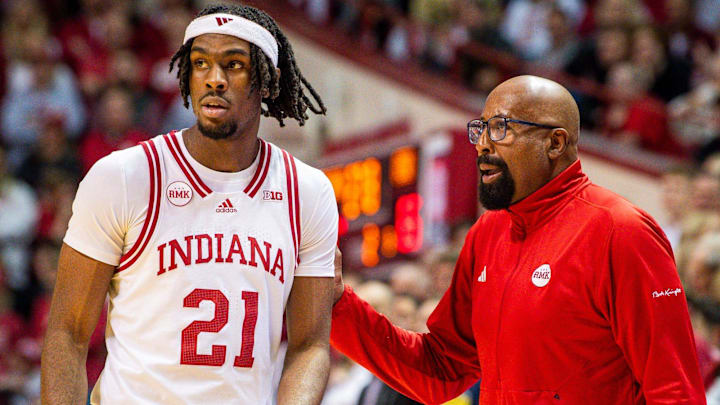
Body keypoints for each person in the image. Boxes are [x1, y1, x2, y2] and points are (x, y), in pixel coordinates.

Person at [330, 75, 706, 404]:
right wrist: (335, 304)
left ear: (556, 143)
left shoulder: (622, 232)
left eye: (501, 128)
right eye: (480, 129)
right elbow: (438, 370)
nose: (482, 145)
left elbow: (675, 392)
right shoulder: (486, 235)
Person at [41, 3, 338, 404]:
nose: (214, 79)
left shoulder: (308, 191)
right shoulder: (125, 176)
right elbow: (67, 333)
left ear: (269, 82)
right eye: (200, 63)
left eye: (234, 65)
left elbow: (310, 346)